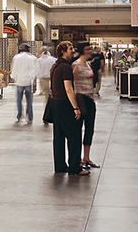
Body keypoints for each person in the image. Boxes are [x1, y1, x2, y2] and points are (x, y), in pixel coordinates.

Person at [50, 41, 89, 176]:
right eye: (70, 48)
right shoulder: (66, 67)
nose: (73, 50)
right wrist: (76, 107)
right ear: (63, 51)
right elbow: (68, 88)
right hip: (64, 104)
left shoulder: (55, 65)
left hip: (54, 103)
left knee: (59, 135)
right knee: (74, 136)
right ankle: (75, 168)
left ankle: (60, 165)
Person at [72, 42, 99, 170]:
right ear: (82, 50)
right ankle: (78, 159)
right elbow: (70, 83)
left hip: (90, 99)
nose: (90, 51)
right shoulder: (75, 65)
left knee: (90, 129)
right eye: (87, 49)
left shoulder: (88, 64)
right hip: (80, 98)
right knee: (78, 130)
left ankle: (87, 157)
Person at [10, 43, 39, 124]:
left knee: (19, 100)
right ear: (27, 49)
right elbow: (33, 71)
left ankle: (19, 115)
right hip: (28, 82)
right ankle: (29, 117)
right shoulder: (31, 58)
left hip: (19, 82)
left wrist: (13, 78)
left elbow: (14, 69)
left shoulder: (16, 57)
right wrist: (33, 82)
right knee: (29, 101)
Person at [37, 46, 55, 123]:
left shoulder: (39, 60)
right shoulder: (54, 60)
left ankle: (47, 116)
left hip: (43, 80)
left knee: (46, 99)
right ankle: (54, 115)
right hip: (53, 80)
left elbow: (37, 72)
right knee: (54, 98)